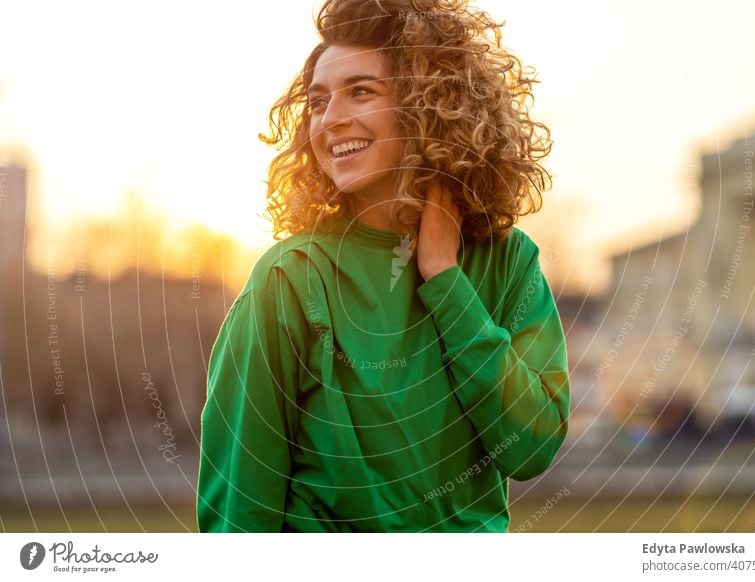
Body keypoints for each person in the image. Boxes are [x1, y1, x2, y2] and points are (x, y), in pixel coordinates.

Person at [197, 0, 570, 533]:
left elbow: (532, 446)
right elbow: (239, 505)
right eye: (319, 101)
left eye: (362, 91)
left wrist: (445, 279)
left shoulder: (509, 260)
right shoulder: (290, 277)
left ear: (432, 103)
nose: (331, 119)